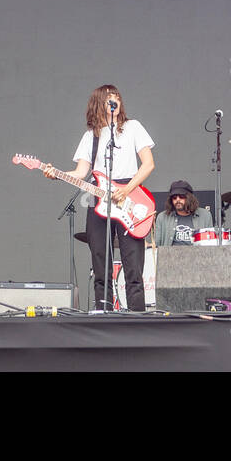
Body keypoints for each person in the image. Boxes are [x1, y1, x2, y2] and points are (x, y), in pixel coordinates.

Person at [45, 85, 155, 311]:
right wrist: (56, 174)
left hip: (129, 194)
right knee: (100, 261)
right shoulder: (91, 136)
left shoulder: (133, 127)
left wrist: (127, 189)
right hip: (99, 198)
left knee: (133, 265)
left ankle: (137, 318)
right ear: (99, 103)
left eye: (116, 98)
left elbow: (148, 164)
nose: (114, 102)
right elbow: (80, 172)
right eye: (108, 99)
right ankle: (104, 313)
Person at [150, 180, 212, 247]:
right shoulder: (162, 217)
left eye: (181, 196)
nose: (178, 200)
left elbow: (210, 244)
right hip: (170, 256)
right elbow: (156, 244)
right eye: (174, 197)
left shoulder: (205, 215)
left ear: (190, 198)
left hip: (198, 256)